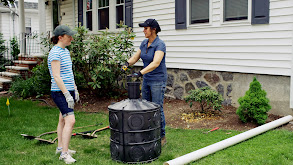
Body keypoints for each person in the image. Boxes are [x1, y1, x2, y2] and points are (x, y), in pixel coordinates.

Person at [121, 18, 167, 146]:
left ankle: (161, 136)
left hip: (157, 80)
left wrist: (140, 72)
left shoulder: (160, 44)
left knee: (157, 108)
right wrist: (126, 64)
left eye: (146, 28)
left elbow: (156, 63)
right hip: (147, 79)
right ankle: (148, 133)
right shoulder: (144, 43)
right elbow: (136, 57)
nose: (143, 31)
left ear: (153, 30)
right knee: (145, 108)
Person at [48, 25, 79, 164]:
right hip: (60, 92)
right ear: (60, 37)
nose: (71, 38)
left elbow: (69, 74)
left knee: (62, 119)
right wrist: (67, 94)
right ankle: (64, 155)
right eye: (69, 36)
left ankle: (60, 148)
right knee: (70, 120)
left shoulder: (65, 51)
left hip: (68, 89)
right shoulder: (55, 53)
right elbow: (56, 76)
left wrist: (75, 89)